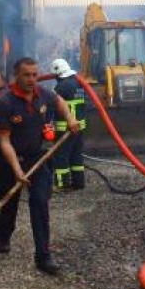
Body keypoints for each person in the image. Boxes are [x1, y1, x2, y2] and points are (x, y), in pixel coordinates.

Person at [0, 57, 79, 275]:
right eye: (26, 75)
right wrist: (18, 171)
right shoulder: (4, 102)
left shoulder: (43, 94)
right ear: (16, 76)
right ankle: (4, 234)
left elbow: (60, 103)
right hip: (11, 160)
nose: (31, 79)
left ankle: (43, 256)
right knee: (9, 203)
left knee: (39, 202)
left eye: (34, 74)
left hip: (36, 158)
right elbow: (4, 141)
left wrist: (70, 119)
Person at [50, 58, 87, 191]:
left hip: (65, 128)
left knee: (61, 156)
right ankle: (78, 182)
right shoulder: (79, 83)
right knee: (76, 154)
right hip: (79, 126)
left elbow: (52, 105)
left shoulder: (60, 87)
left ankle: (61, 184)